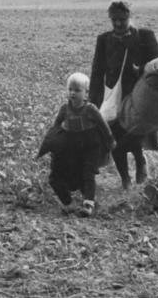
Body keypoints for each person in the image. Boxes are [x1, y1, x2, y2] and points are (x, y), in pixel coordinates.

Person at [89, 1, 158, 189]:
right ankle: (125, 179)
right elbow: (97, 72)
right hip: (113, 98)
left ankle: (140, 161)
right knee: (114, 138)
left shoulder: (144, 36)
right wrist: (93, 102)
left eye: (122, 19)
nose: (119, 24)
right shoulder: (104, 40)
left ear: (130, 16)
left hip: (139, 97)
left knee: (134, 133)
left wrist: (141, 69)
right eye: (114, 20)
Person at [40, 72, 115, 217]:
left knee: (88, 172)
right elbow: (56, 127)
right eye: (70, 89)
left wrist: (110, 141)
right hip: (72, 145)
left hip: (90, 145)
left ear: (86, 93)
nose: (72, 93)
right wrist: (52, 144)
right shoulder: (64, 109)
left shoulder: (91, 109)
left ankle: (88, 204)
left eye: (77, 90)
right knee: (58, 176)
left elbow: (103, 126)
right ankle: (69, 203)